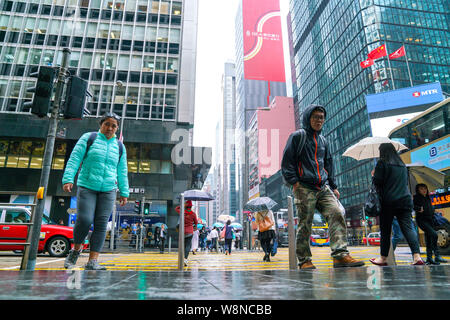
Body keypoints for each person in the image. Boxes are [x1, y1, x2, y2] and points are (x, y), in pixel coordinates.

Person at [281, 104, 364, 269]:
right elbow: (287, 161)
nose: (319, 120)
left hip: (323, 187)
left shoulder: (324, 140)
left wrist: (333, 186)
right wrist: (295, 183)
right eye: (315, 117)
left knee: (337, 212)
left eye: (321, 117)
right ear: (308, 118)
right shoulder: (298, 136)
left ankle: (340, 255)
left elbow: (328, 164)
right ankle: (304, 260)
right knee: (305, 223)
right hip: (304, 186)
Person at [63, 112, 129, 270]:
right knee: (84, 220)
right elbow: (74, 158)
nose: (110, 128)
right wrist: (68, 179)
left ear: (117, 128)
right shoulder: (89, 138)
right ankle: (75, 251)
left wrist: (124, 192)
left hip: (108, 190)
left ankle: (93, 261)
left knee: (101, 224)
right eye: (107, 124)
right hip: (87, 186)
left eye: (113, 126)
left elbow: (122, 170)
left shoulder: (119, 146)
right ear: (101, 124)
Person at [370, 143, 424, 266]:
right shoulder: (402, 165)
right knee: (408, 228)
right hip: (405, 201)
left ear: (382, 152)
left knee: (386, 230)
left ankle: (383, 258)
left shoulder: (382, 163)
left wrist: (374, 175)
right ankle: (417, 257)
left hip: (389, 201)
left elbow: (378, 182)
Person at [413, 183, 447, 265]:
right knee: (434, 235)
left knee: (428, 239)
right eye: (421, 189)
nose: (424, 190)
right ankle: (437, 256)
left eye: (425, 188)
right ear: (418, 190)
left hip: (430, 220)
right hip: (422, 220)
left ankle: (429, 259)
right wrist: (418, 209)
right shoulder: (416, 198)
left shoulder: (428, 197)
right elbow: (412, 206)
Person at [175, 200, 198, 266]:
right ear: (191, 207)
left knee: (183, 245)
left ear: (186, 206)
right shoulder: (193, 214)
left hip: (182, 231)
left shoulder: (182, 212)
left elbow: (176, 208)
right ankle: (185, 258)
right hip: (190, 232)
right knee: (188, 245)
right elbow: (196, 222)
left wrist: (182, 205)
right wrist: (195, 227)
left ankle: (182, 258)